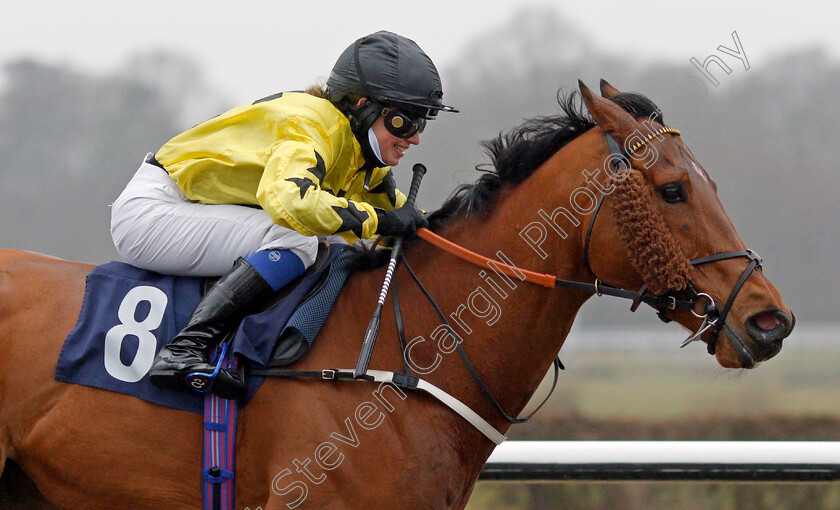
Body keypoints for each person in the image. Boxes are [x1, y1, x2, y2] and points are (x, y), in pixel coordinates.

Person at [109, 30, 457, 399]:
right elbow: (291, 201)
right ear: (362, 105)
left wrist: (422, 227)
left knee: (329, 237)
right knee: (298, 238)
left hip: (185, 207)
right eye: (405, 122)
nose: (415, 137)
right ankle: (183, 350)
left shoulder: (352, 148)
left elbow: (398, 216)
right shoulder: (312, 125)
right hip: (153, 211)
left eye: (421, 123)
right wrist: (382, 222)